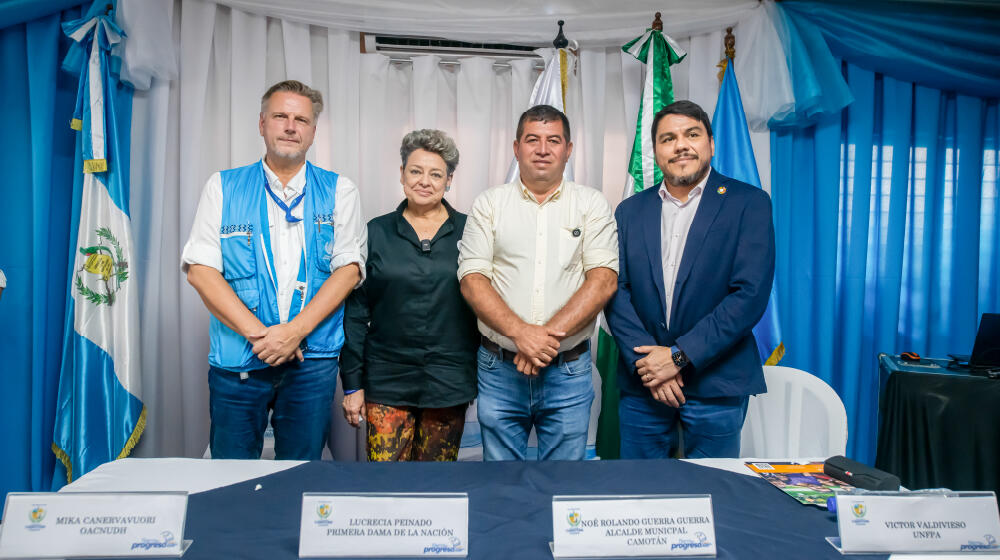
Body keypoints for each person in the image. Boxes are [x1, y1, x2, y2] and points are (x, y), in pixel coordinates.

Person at [181, 80, 365, 460]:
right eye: (281, 116)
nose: (290, 126)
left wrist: (294, 333)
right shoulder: (222, 186)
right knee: (229, 477)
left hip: (311, 362)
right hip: (238, 360)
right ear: (262, 123)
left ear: (313, 131)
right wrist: (263, 336)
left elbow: (348, 270)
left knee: (300, 473)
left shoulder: (340, 190)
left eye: (301, 119)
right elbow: (200, 270)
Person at [605, 100, 775, 459]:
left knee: (713, 495)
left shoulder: (749, 203)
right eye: (668, 138)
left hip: (717, 382)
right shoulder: (630, 211)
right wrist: (650, 365)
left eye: (691, 134)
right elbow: (615, 292)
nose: (680, 144)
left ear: (710, 144)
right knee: (638, 500)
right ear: (656, 151)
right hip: (644, 384)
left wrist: (679, 357)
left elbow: (749, 295)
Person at [458, 104, 619, 461]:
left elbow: (603, 280)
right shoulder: (489, 204)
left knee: (563, 488)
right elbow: (472, 280)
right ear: (516, 148)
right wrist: (520, 333)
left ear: (568, 149)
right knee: (502, 484)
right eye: (532, 140)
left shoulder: (592, 204)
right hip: (499, 370)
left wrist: (540, 340)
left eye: (553, 141)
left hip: (568, 371)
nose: (543, 149)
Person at [340, 129, 478, 462]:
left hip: (448, 381)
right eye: (415, 171)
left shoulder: (472, 231)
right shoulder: (375, 232)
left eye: (436, 174)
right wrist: (352, 384)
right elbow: (356, 314)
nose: (424, 181)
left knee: (436, 486)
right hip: (387, 380)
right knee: (386, 487)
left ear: (449, 181)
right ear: (401, 174)